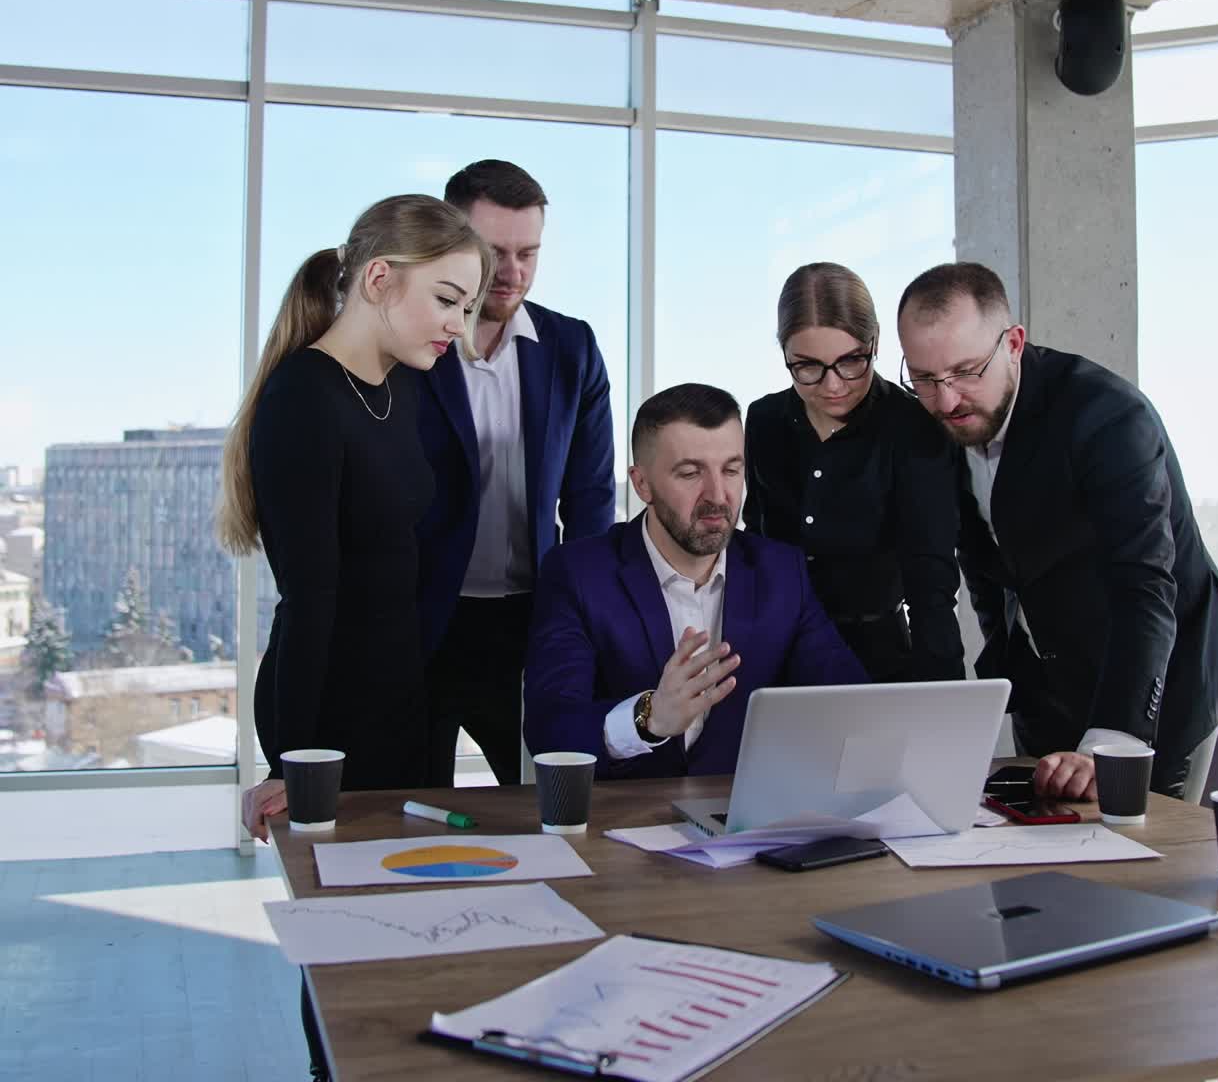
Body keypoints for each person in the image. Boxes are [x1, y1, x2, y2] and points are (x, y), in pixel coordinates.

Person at [217, 194, 490, 1082]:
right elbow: (313, 602)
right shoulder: (303, 400)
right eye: (448, 298)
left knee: (405, 939)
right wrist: (294, 768)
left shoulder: (402, 387)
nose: (460, 322)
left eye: (468, 304)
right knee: (344, 956)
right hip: (328, 711)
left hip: (401, 702)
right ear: (380, 279)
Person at [896, 262, 1218, 803]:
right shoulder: (939, 420)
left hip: (1159, 677)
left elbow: (1145, 586)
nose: (946, 401)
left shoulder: (1107, 418)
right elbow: (985, 564)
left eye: (967, 371)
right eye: (924, 378)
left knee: (1139, 868)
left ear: (1014, 344)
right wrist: (1009, 665)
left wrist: (1111, 742)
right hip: (1048, 683)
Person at [523, 383, 868, 778]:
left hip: (742, 822)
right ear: (641, 484)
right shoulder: (577, 573)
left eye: (732, 469)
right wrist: (647, 718)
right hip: (616, 822)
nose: (718, 496)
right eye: (690, 473)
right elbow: (548, 731)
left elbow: (847, 703)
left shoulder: (782, 571)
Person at [418, 159, 616, 786]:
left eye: (528, 253)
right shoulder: (411, 347)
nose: (512, 273)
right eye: (494, 252)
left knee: (545, 807)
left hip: (529, 622)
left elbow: (589, 499)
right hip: (424, 619)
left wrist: (583, 620)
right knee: (406, 808)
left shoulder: (572, 348)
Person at [744, 263, 964, 682]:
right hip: (779, 656)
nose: (832, 385)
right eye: (807, 366)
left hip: (878, 659)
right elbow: (757, 545)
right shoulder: (764, 420)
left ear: (874, 342)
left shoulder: (913, 427)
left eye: (849, 362)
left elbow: (930, 582)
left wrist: (945, 706)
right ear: (784, 353)